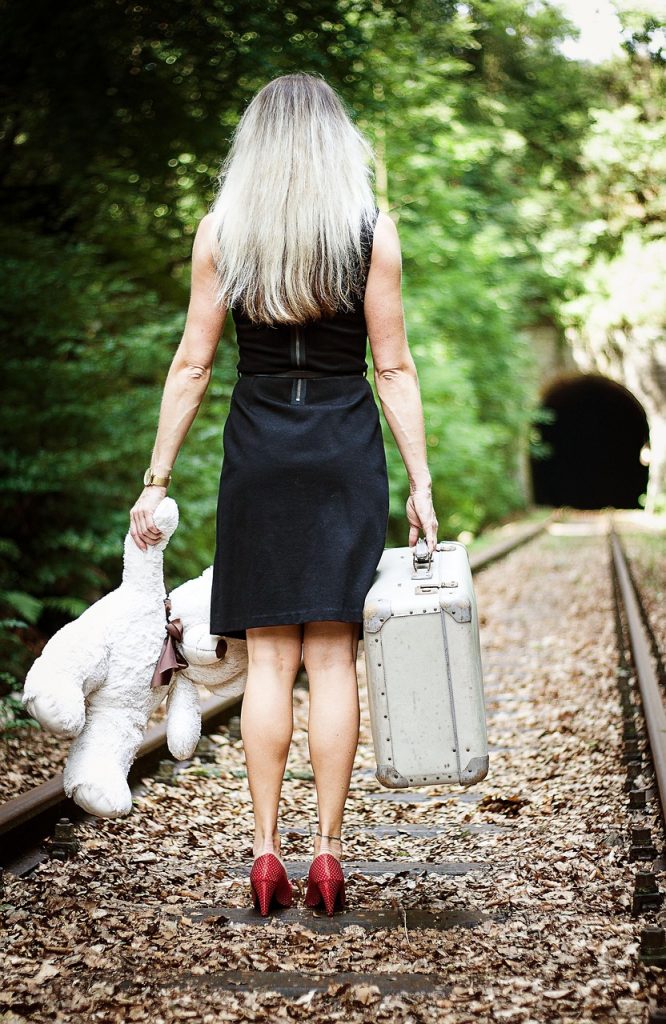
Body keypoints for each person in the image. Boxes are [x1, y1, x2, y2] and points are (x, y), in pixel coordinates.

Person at [130, 72, 438, 917]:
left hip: (259, 454)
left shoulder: (226, 233)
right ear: (337, 143)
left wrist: (156, 479)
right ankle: (329, 857)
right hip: (344, 451)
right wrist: (420, 483)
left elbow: (192, 362)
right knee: (333, 659)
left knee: (269, 660)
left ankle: (266, 856)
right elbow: (394, 366)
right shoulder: (372, 231)